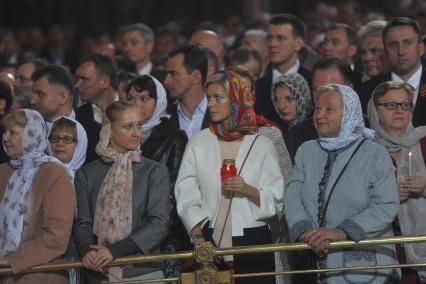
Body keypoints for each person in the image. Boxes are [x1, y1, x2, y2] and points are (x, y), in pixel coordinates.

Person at [175, 70, 284, 284]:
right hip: (208, 240)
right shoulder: (198, 142)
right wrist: (197, 234)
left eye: (218, 98)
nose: (211, 104)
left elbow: (277, 199)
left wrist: (247, 190)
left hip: (253, 241)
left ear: (235, 99)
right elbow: (185, 192)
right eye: (209, 98)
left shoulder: (262, 144)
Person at [285, 84, 400, 284]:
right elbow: (292, 195)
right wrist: (306, 234)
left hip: (365, 268)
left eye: (329, 109)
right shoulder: (306, 151)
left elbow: (386, 205)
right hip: (315, 264)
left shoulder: (374, 153)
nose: (319, 115)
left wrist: (341, 232)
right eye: (317, 108)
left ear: (348, 113)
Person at [74, 101, 170, 283]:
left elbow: (159, 223)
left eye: (139, 125)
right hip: (98, 271)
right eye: (128, 126)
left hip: (143, 272)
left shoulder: (154, 171)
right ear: (109, 129)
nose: (137, 133)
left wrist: (115, 250)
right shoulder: (87, 173)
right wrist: (87, 250)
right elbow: (83, 222)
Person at [0, 109, 75, 283]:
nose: (5, 138)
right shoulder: (4, 170)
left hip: (39, 272)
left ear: (31, 135)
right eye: (5, 132)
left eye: (13, 133)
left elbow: (56, 236)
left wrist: (13, 260)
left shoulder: (54, 173)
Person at [126, 74, 188, 278]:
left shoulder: (173, 137)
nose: (137, 104)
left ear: (158, 100)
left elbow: (172, 190)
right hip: (122, 233)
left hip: (163, 236)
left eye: (144, 99)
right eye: (131, 99)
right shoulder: (118, 137)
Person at [367, 81, 426, 283]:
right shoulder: (365, 151)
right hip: (384, 249)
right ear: (375, 110)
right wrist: (387, 196)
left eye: (405, 104)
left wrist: (425, 187)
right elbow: (351, 199)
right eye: (391, 105)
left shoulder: (425, 142)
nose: (400, 110)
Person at [357, 17, 426, 126]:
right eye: (393, 45)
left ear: (421, 48)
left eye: (407, 43)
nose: (401, 51)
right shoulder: (365, 93)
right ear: (385, 51)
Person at [48, 116, 88, 284]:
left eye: (67, 139)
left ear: (80, 144)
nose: (60, 143)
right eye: (55, 138)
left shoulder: (86, 177)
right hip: (48, 249)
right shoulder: (41, 175)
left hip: (79, 248)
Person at [255, 13, 311, 123]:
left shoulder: (312, 83)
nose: (272, 44)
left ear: (298, 43)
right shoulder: (256, 88)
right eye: (270, 38)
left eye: (280, 38)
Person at [74, 52, 118, 163]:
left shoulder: (132, 111)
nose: (77, 85)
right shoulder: (77, 118)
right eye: (77, 79)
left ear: (105, 82)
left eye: (84, 79)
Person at [164, 45, 209, 139]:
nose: (166, 81)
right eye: (167, 74)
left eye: (173, 74)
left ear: (196, 77)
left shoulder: (222, 114)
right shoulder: (162, 118)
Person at [272, 72, 316, 161]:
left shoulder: (316, 129)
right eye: (277, 100)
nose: (282, 106)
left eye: (289, 98)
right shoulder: (275, 131)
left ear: (302, 96)